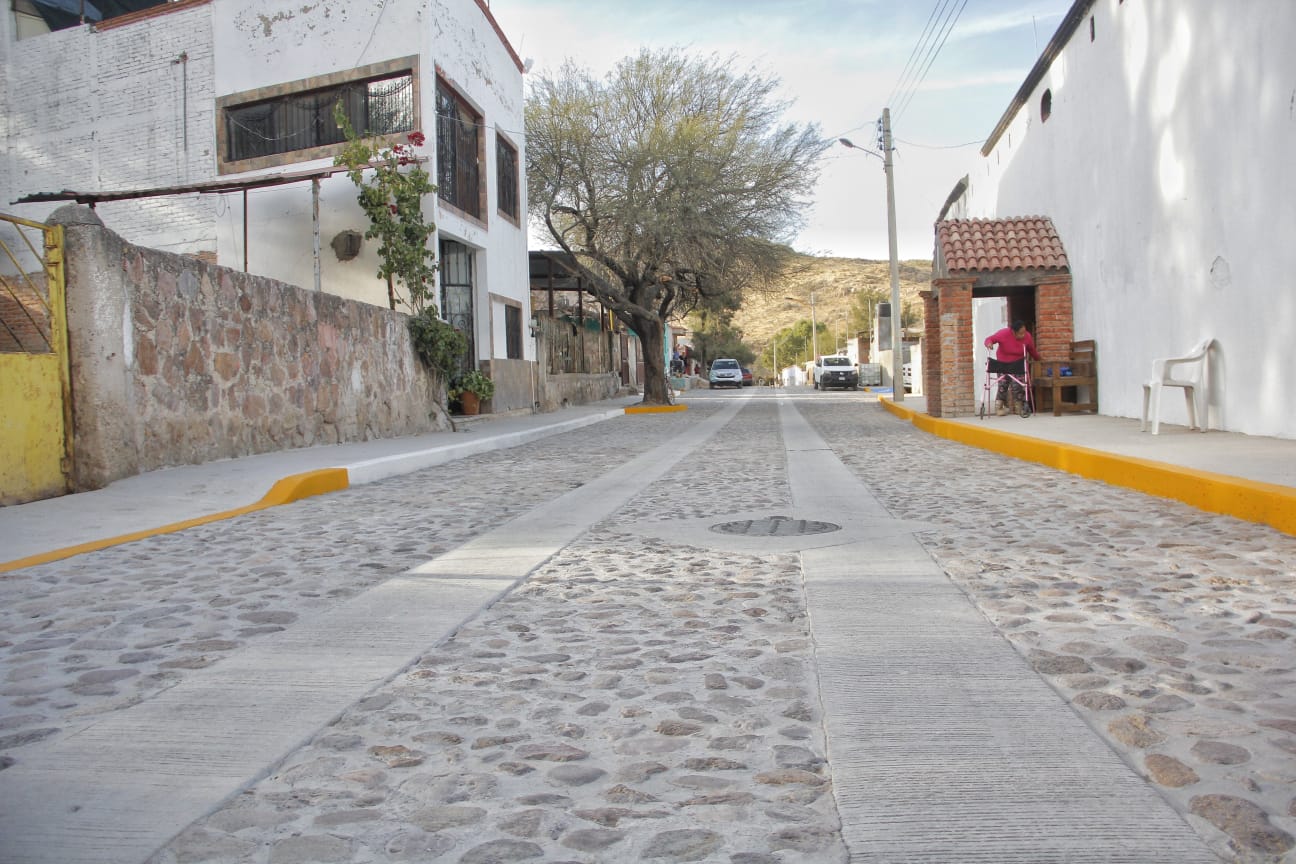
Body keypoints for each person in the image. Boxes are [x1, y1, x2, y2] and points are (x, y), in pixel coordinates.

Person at [984, 320, 1041, 415]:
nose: (1023, 335)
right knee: (1003, 385)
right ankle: (999, 407)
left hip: (1017, 365)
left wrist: (1039, 359)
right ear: (1013, 332)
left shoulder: (1027, 337)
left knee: (1017, 386)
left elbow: (1032, 350)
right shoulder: (1004, 333)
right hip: (1003, 364)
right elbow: (989, 339)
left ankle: (1019, 408)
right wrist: (989, 344)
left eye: (1024, 332)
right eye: (1020, 333)